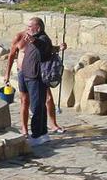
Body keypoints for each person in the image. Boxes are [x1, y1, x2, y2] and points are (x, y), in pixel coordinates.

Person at [4, 17, 65, 146]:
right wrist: (7, 74)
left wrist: (34, 40)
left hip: (35, 77)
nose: (27, 29)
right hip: (26, 75)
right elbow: (12, 55)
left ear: (38, 28)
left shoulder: (42, 39)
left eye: (29, 27)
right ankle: (40, 133)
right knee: (31, 103)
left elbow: (44, 46)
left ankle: (37, 134)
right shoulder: (24, 37)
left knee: (37, 106)